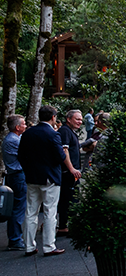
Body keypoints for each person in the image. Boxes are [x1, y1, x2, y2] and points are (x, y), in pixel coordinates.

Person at [18, 105, 73, 256]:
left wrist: (28, 169)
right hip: (50, 177)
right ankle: (49, 246)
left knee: (30, 211)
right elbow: (61, 157)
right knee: (50, 211)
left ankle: (29, 246)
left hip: (32, 176)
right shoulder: (53, 134)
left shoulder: (28, 134)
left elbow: (20, 155)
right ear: (53, 117)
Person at [2, 114, 27, 250]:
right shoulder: (14, 140)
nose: (25, 126)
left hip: (14, 175)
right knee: (18, 208)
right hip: (17, 175)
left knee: (17, 207)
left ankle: (15, 237)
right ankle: (15, 239)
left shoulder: (12, 139)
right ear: (17, 127)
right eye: (23, 124)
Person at [57, 109, 83, 235]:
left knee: (70, 199)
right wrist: (71, 168)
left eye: (81, 119)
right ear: (69, 119)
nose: (80, 122)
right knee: (68, 199)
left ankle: (65, 225)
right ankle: (64, 226)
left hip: (72, 172)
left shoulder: (70, 131)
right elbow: (64, 150)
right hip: (68, 173)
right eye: (77, 119)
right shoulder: (65, 131)